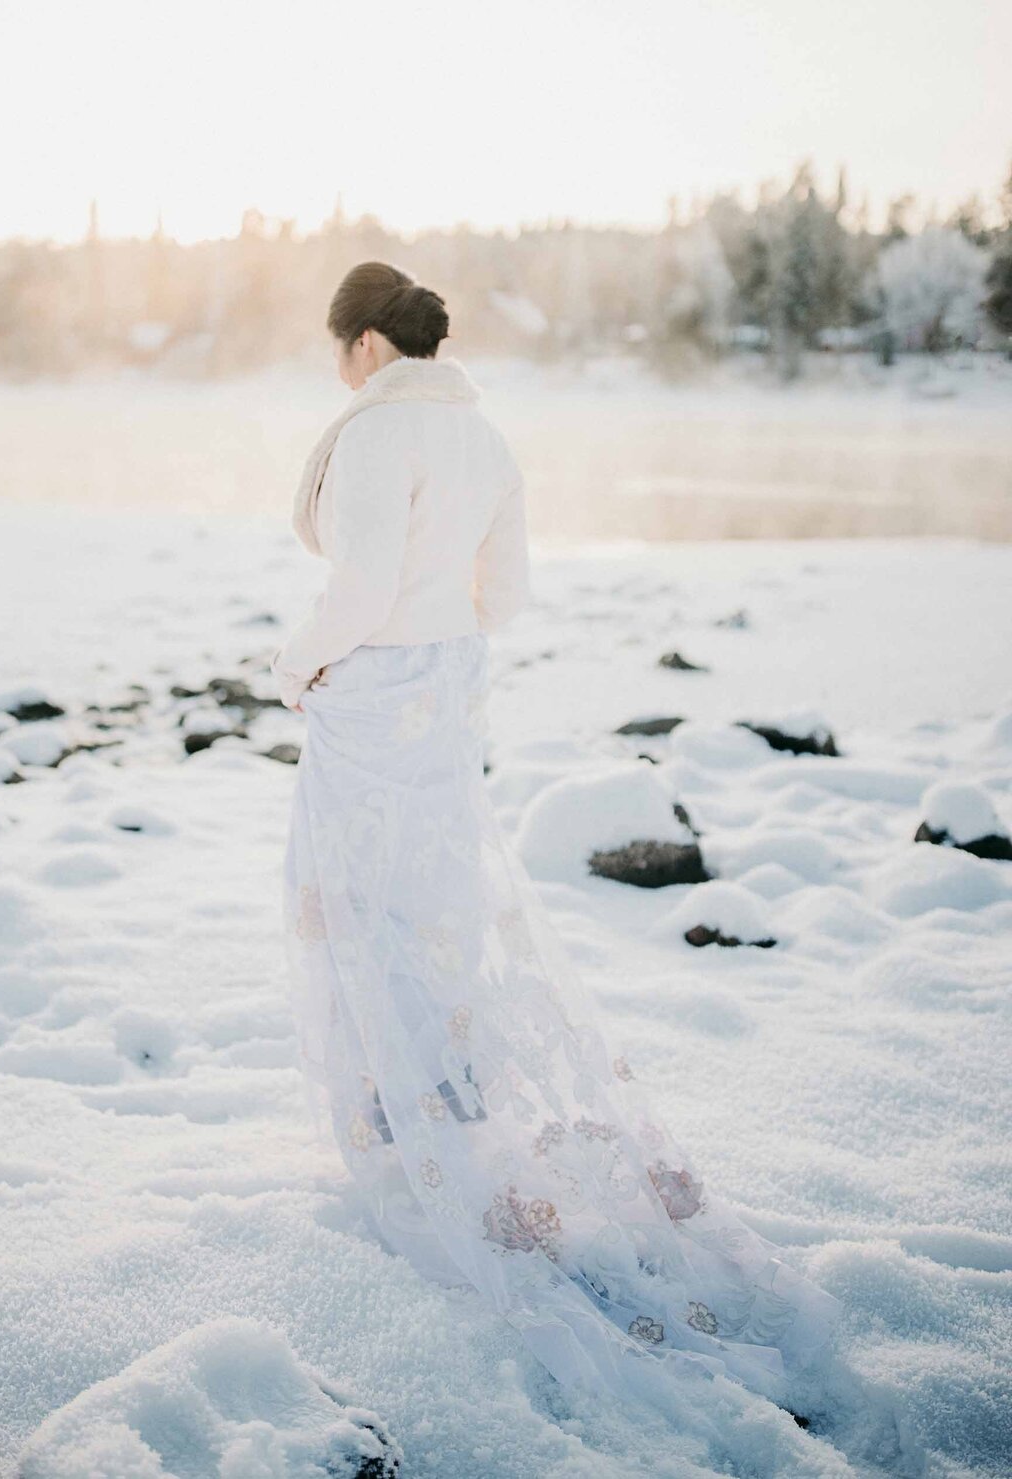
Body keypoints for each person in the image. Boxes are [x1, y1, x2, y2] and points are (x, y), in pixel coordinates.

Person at [271, 260, 842, 1410]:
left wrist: (302, 665)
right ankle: (450, 1092)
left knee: (355, 896)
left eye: (339, 350)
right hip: (449, 684)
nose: (338, 368)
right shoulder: (485, 438)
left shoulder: (383, 434)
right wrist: (440, 633)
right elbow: (508, 592)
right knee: (436, 897)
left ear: (367, 345)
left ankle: (396, 1120)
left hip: (376, 686)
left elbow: (364, 580)